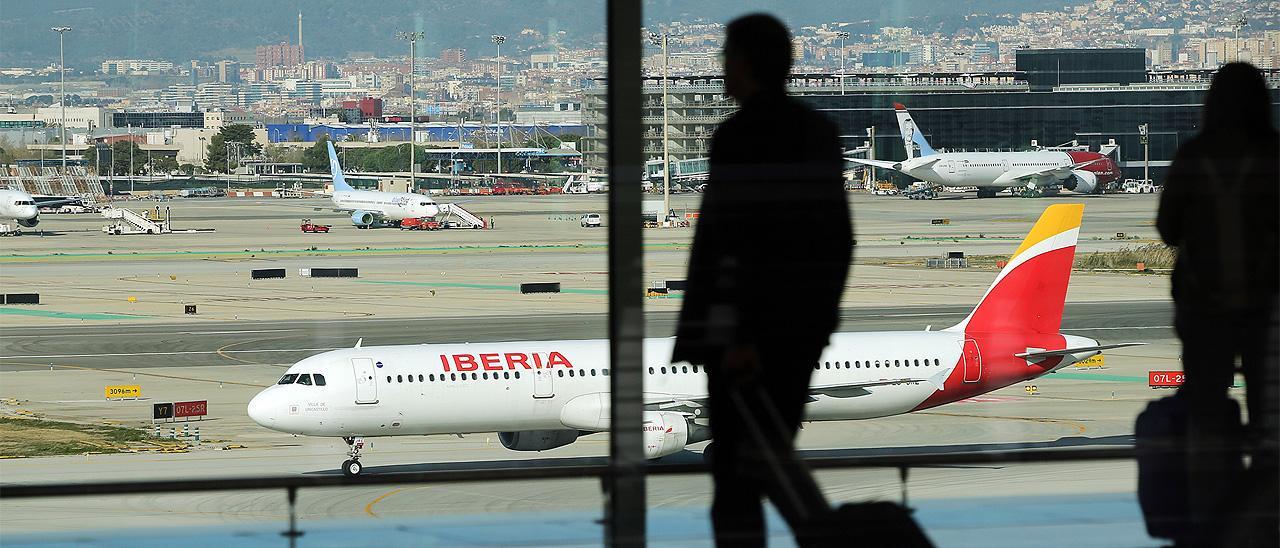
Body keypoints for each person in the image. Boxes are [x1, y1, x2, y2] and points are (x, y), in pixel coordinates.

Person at [671, 13, 853, 547]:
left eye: (726, 57)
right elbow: (834, 242)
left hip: (745, 342)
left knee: (740, 475)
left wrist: (731, 335)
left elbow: (729, 248)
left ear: (745, 64)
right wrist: (811, 324)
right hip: (795, 334)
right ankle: (830, 537)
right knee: (765, 457)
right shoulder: (816, 131)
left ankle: (831, 539)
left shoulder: (742, 135)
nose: (721, 69)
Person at [1155, 62, 1279, 546]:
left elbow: (1168, 229)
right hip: (1266, 309)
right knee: (1268, 415)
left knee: (1207, 410)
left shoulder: (1194, 155)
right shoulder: (1272, 154)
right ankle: (1261, 521)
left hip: (1204, 309)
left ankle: (1210, 516)